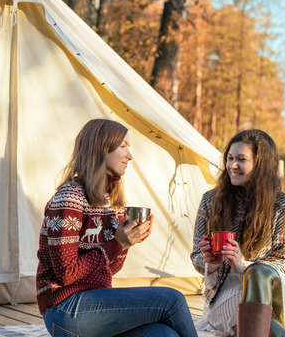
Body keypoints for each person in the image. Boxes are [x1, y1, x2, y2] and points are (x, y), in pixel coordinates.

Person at [37, 118, 198, 337]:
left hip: (96, 305)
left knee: (165, 335)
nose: (130, 156)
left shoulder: (109, 200)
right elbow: (66, 274)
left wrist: (127, 243)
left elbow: (108, 270)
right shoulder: (69, 199)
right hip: (64, 308)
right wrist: (117, 244)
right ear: (100, 149)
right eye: (123, 146)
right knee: (172, 300)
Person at [190, 129, 285, 337]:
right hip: (227, 294)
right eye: (230, 158)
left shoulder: (282, 205)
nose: (232, 165)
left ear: (261, 165)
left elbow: (284, 262)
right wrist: (210, 263)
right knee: (266, 321)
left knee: (258, 273)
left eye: (241, 159)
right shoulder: (210, 201)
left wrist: (245, 266)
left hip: (275, 291)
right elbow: (196, 255)